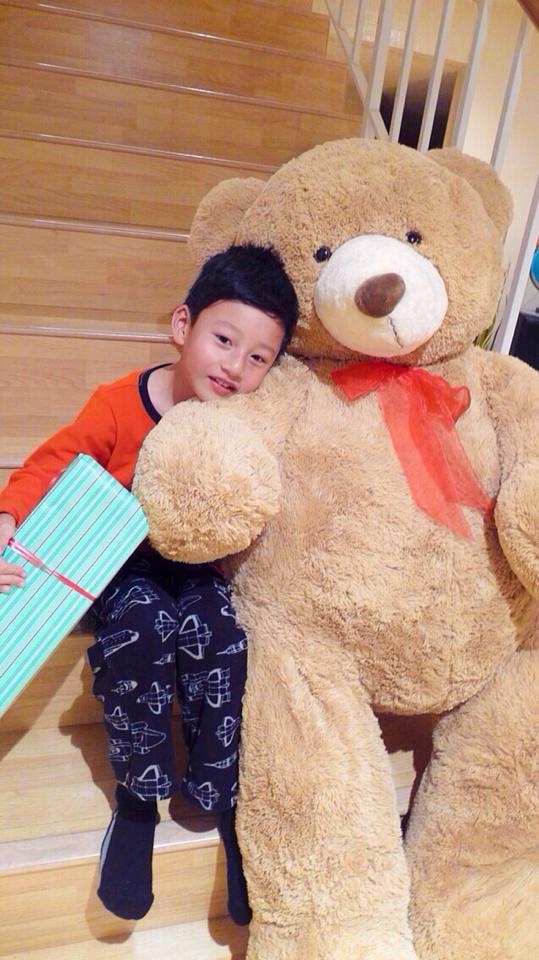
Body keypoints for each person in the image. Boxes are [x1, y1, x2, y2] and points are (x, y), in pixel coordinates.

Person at [0, 243, 299, 924]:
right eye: (224, 340)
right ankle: (138, 798)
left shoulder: (242, 420)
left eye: (258, 358)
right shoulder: (119, 404)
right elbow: (50, 463)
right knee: (141, 629)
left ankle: (219, 794)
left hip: (201, 566)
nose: (236, 367)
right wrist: (8, 515)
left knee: (223, 636)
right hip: (122, 564)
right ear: (182, 326)